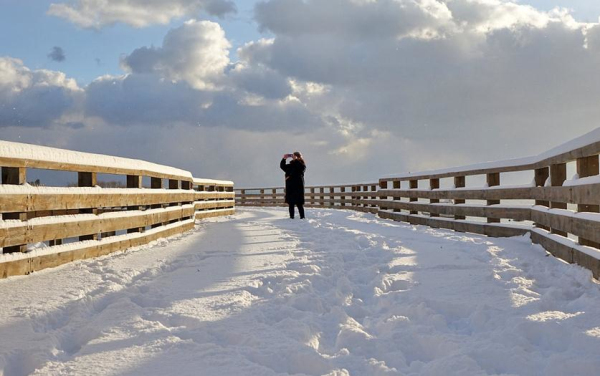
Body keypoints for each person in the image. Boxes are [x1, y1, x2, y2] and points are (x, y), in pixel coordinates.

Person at [280, 151, 306, 219]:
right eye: (292, 156)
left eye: (295, 156)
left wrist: (296, 160)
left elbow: (301, 169)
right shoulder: (290, 165)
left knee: (299, 204)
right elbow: (283, 167)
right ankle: (291, 218)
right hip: (290, 187)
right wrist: (284, 159)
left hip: (298, 187)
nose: (293, 157)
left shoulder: (301, 165)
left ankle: (302, 218)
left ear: (299, 157)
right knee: (291, 204)